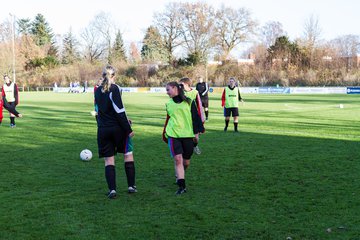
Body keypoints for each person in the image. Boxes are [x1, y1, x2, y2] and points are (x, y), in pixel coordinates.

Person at [94, 65, 137, 199]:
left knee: (109, 159)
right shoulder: (115, 88)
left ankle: (112, 190)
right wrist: (128, 129)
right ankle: (131, 186)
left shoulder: (96, 90)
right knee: (128, 155)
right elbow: (119, 111)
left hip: (103, 129)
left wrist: (101, 125)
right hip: (118, 129)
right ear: (114, 76)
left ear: (102, 76)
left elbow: (97, 111)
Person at [162, 81, 204, 195]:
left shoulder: (189, 102)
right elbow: (168, 119)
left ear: (175, 88)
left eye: (168, 90)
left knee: (186, 162)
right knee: (178, 159)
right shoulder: (169, 103)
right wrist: (164, 133)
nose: (167, 92)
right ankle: (182, 186)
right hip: (173, 135)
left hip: (187, 135)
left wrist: (196, 134)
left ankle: (181, 174)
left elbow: (195, 118)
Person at [178, 77, 205, 155]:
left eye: (181, 84)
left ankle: (195, 146)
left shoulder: (195, 92)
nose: (180, 86)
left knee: (196, 138)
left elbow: (199, 106)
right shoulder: (179, 92)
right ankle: (183, 149)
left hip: (194, 118)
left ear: (186, 84)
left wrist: (201, 119)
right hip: (184, 118)